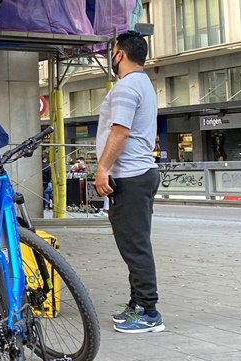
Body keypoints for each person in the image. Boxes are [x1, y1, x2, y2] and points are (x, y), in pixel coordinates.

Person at [93, 30, 162, 334]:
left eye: (113, 51)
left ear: (119, 53)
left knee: (135, 246)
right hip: (140, 174)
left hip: (130, 177)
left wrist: (102, 169)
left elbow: (119, 132)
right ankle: (137, 302)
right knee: (134, 243)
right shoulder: (144, 83)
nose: (112, 56)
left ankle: (149, 312)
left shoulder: (126, 87)